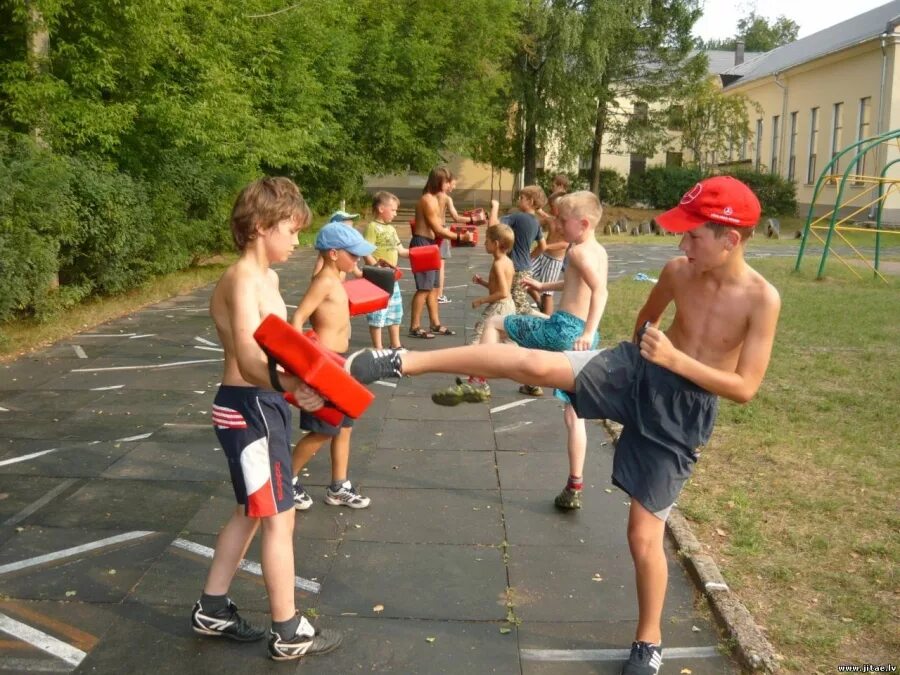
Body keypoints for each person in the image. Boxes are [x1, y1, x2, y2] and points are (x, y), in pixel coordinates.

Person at [345, 175, 781, 675]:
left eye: (694, 236)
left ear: (732, 238)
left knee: (642, 535)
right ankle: (399, 360)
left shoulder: (761, 299)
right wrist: (633, 350)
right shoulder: (678, 271)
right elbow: (647, 322)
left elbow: (745, 387)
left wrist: (675, 361)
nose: (682, 244)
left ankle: (649, 641)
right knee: (530, 363)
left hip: (681, 411)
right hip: (635, 371)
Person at [192, 177, 341, 661]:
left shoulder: (270, 280)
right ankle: (289, 629)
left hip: (264, 404)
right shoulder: (240, 278)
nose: (298, 241)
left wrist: (315, 376)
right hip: (247, 407)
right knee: (280, 515)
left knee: (252, 512)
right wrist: (291, 388)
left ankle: (213, 608)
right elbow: (248, 358)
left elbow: (275, 352)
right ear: (260, 226)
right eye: (291, 230)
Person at [435, 192, 608, 512]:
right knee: (575, 415)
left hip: (566, 331)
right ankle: (575, 485)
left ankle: (479, 382)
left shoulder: (580, 252)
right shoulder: (596, 250)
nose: (555, 224)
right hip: (584, 336)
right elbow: (578, 285)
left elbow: (600, 290)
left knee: (497, 324)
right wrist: (545, 288)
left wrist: (583, 331)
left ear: (582, 224)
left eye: (561, 220)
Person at [289, 223, 375, 511]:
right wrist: (303, 358)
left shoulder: (337, 276)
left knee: (345, 427)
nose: (358, 260)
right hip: (324, 364)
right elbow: (298, 317)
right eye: (354, 255)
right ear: (335, 253)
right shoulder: (324, 281)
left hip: (341, 361)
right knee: (325, 429)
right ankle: (285, 480)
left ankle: (339, 486)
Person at [431, 223, 516, 405]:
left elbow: (502, 292)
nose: (484, 244)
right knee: (498, 345)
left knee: (478, 341)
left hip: (499, 306)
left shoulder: (500, 264)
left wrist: (481, 300)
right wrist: (483, 282)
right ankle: (479, 381)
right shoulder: (506, 261)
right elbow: (500, 287)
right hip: (507, 306)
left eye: (486, 240)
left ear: (495, 243)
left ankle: (477, 383)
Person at [408, 165, 472, 339]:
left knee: (434, 288)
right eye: (446, 181)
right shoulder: (427, 200)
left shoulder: (438, 198)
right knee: (423, 288)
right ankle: (414, 326)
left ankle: (435, 323)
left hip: (431, 244)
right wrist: (460, 237)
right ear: (438, 181)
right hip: (423, 244)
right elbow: (437, 229)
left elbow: (445, 224)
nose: (449, 184)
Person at [489, 186, 547, 315]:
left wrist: (495, 207)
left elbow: (493, 227)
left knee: (519, 307)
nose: (518, 200)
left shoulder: (518, 217)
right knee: (511, 302)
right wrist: (529, 256)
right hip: (525, 268)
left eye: (521, 198)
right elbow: (543, 246)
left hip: (515, 269)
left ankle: (545, 320)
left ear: (531, 201)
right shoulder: (536, 222)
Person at [362, 191, 408, 350]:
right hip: (377, 278)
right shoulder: (372, 227)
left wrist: (421, 253)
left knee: (395, 311)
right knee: (377, 313)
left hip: (391, 277)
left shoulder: (391, 229)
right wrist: (376, 267)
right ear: (381, 208)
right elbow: (366, 251)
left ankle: (396, 345)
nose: (395, 214)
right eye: (393, 210)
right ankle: (378, 348)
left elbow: (401, 251)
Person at [529, 191, 568, 316]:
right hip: (542, 256)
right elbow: (539, 214)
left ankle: (547, 319)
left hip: (555, 261)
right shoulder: (551, 219)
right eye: (550, 206)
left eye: (553, 206)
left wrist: (546, 246)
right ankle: (538, 300)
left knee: (547, 293)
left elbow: (566, 244)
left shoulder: (567, 224)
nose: (551, 209)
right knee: (522, 276)